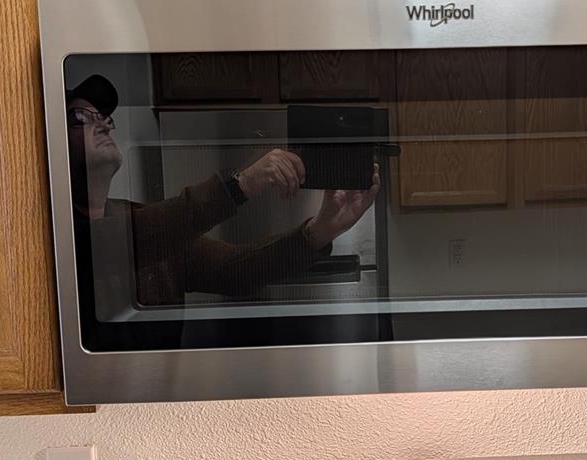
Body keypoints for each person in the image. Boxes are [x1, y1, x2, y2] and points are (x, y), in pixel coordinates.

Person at [66, 75, 379, 307]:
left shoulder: (136, 218)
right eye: (81, 117)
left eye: (104, 118)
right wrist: (242, 184)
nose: (104, 126)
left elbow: (235, 270)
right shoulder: (59, 237)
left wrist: (321, 230)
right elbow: (119, 243)